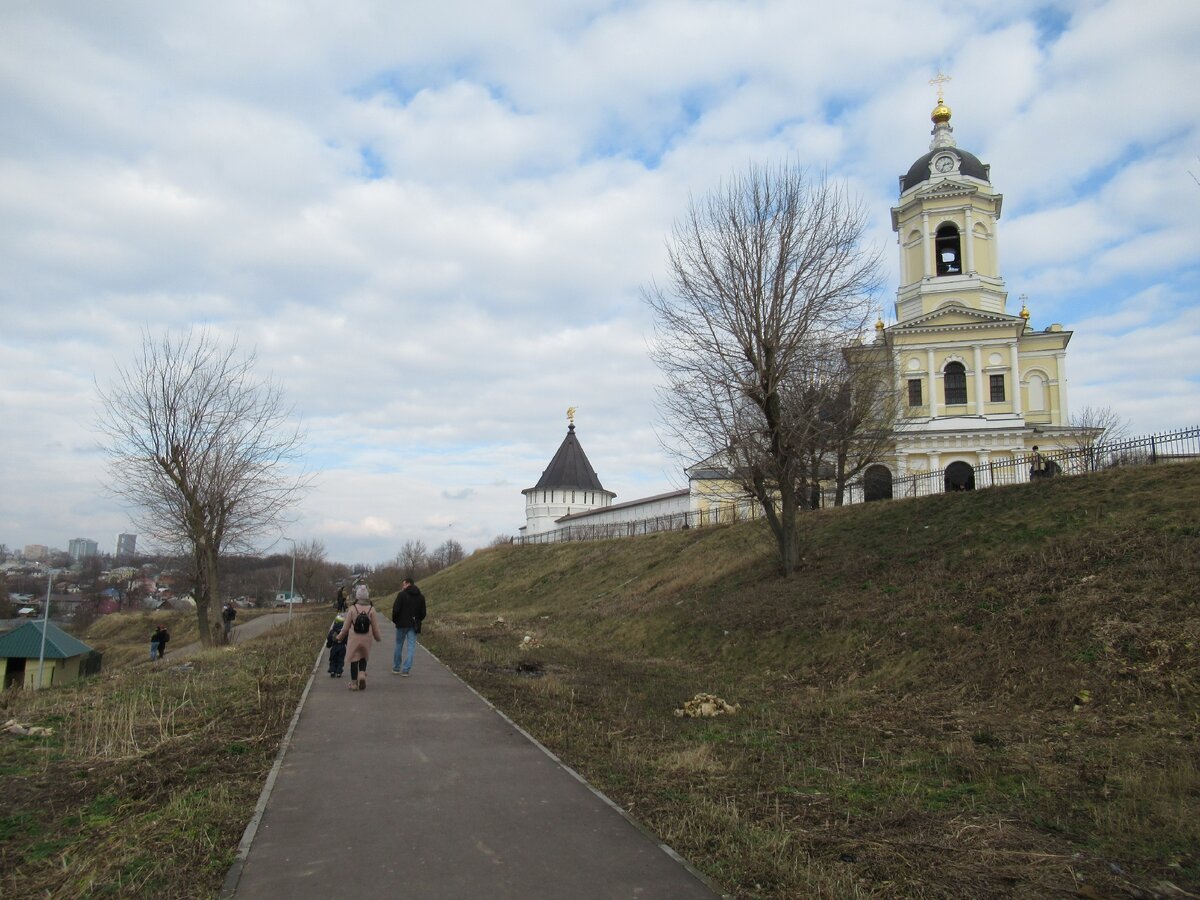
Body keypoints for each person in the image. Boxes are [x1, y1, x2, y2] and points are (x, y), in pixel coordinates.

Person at [338, 587, 381, 690]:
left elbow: (346, 627)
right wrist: (378, 638)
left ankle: (353, 684)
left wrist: (340, 637)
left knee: (354, 659)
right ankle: (362, 674)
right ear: (367, 596)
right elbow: (375, 628)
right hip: (367, 638)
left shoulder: (352, 608)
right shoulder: (372, 609)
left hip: (354, 638)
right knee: (363, 656)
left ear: (357, 596)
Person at [391, 577, 427, 676]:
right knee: (411, 647)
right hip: (414, 625)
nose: (403, 587)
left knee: (399, 645)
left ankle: (396, 668)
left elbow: (396, 610)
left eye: (403, 584)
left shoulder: (401, 595)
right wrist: (418, 620)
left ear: (408, 584)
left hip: (401, 624)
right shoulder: (421, 597)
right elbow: (423, 613)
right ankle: (406, 669)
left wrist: (395, 620)